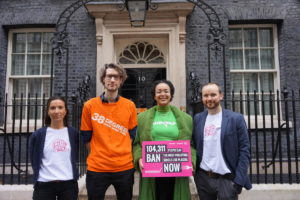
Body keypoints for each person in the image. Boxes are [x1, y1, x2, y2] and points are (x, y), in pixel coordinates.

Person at [80, 63, 138, 200]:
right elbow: (86, 137)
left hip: (124, 167)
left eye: (116, 77)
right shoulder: (89, 106)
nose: (112, 80)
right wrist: (98, 154)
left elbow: (132, 135)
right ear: (103, 79)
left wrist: (121, 149)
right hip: (97, 168)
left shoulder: (129, 105)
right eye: (109, 76)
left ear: (121, 80)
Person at [133, 80, 196, 200]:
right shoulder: (142, 118)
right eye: (159, 91)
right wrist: (140, 158)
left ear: (171, 94)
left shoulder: (186, 119)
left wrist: (191, 162)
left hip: (177, 170)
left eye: (166, 91)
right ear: (154, 95)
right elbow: (136, 144)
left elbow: (191, 144)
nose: (163, 94)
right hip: (152, 170)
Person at [192, 82, 252, 200]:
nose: (209, 98)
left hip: (227, 180)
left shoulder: (236, 119)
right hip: (203, 178)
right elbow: (194, 145)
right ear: (202, 98)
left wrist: (239, 181)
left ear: (221, 96)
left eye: (213, 95)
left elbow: (244, 150)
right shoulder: (198, 118)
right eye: (206, 95)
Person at [29, 96, 79, 200]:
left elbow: (74, 156)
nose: (57, 111)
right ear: (48, 111)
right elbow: (34, 159)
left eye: (60, 107)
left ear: (65, 111)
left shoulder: (73, 133)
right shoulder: (38, 135)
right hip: (44, 184)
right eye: (52, 108)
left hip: (68, 185)